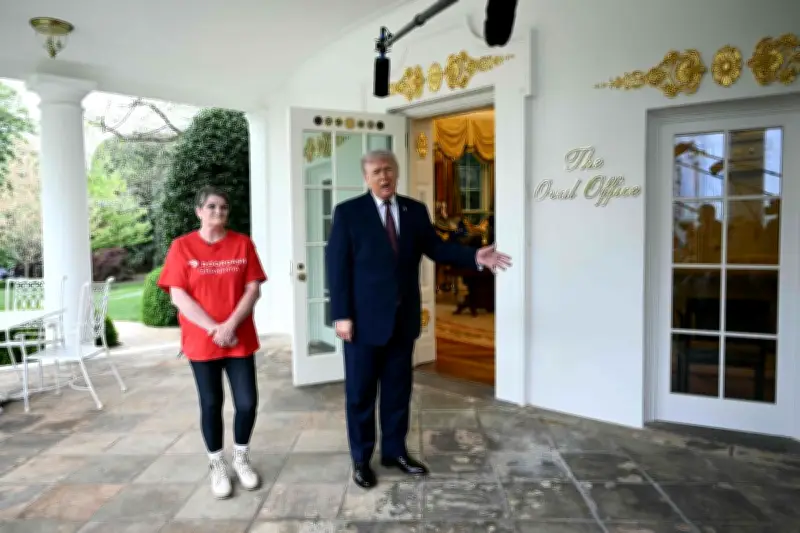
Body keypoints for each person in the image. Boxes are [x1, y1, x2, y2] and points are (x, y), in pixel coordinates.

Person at [325, 149, 511, 489]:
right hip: (363, 323)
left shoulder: (414, 210)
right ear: (366, 178)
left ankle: (394, 452)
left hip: (402, 320)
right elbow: (337, 268)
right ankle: (361, 459)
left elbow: (437, 248)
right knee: (360, 395)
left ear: (397, 173)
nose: (384, 177)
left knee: (398, 392)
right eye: (377, 172)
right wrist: (341, 315)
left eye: (389, 170)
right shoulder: (349, 213)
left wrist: (475, 256)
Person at [158, 186, 268, 499]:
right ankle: (217, 463)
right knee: (211, 403)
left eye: (223, 207)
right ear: (199, 211)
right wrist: (213, 329)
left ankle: (241, 457)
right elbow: (178, 295)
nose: (218, 212)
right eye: (211, 206)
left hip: (238, 337)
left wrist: (230, 325)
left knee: (246, 402)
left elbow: (253, 289)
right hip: (202, 341)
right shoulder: (182, 246)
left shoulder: (242, 244)